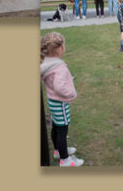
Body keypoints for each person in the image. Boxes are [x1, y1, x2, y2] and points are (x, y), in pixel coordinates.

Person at [40, 32, 84, 167]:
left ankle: (58, 151)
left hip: (52, 102)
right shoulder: (59, 67)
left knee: (56, 127)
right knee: (62, 131)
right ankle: (65, 160)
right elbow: (59, 87)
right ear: (60, 49)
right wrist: (71, 93)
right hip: (60, 103)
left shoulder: (46, 63)